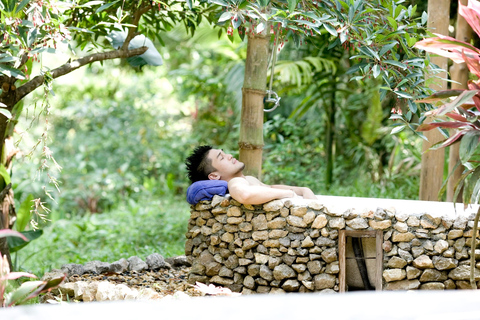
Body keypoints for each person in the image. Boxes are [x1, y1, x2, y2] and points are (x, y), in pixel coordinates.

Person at [185, 145, 317, 205]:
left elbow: (270, 187)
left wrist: (303, 190)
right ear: (214, 176)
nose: (230, 156)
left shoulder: (248, 179)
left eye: (225, 153)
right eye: (222, 158)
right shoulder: (234, 183)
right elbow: (245, 195)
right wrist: (287, 194)